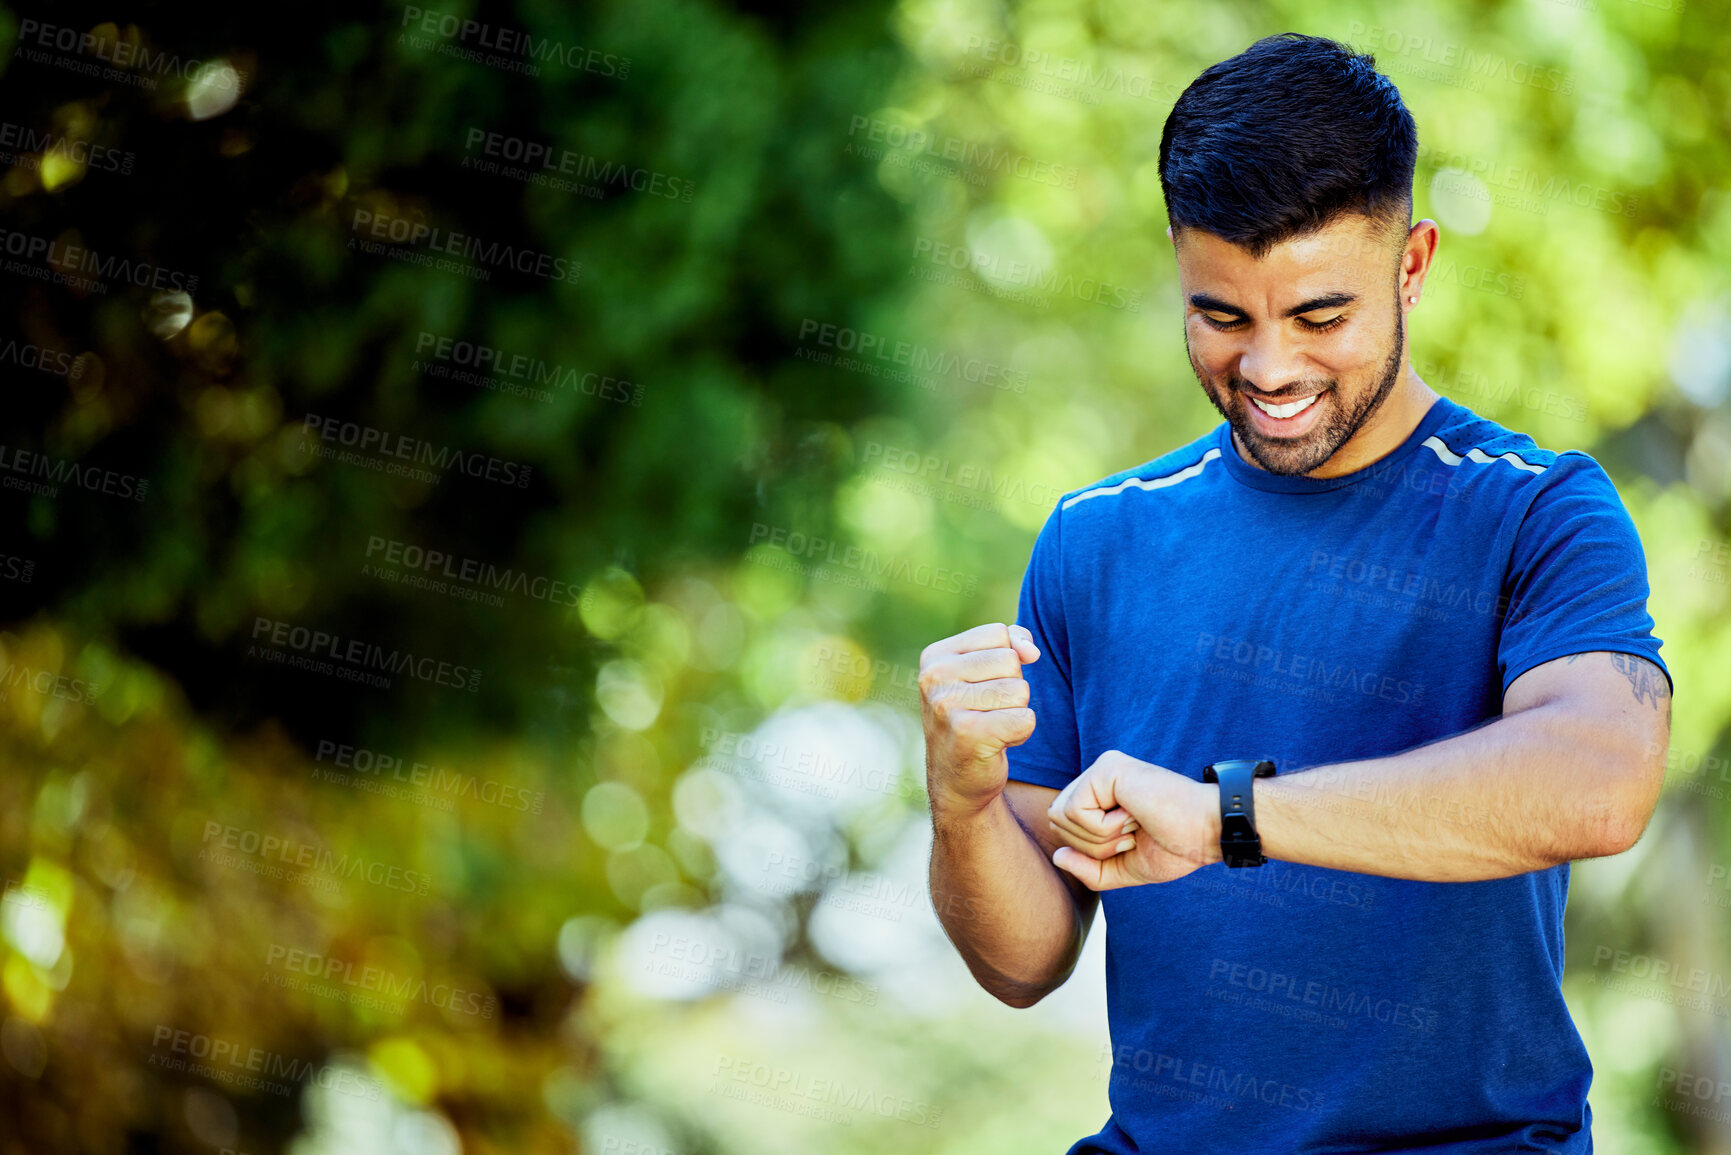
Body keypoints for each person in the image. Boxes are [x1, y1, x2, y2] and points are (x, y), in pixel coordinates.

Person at [920, 32, 1672, 1154]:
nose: (1268, 368)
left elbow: (1599, 782)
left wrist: (1228, 816)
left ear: (1412, 264)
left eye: (1321, 316)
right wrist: (962, 802)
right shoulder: (1095, 541)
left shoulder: (1537, 512)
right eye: (1222, 315)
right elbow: (1024, 962)